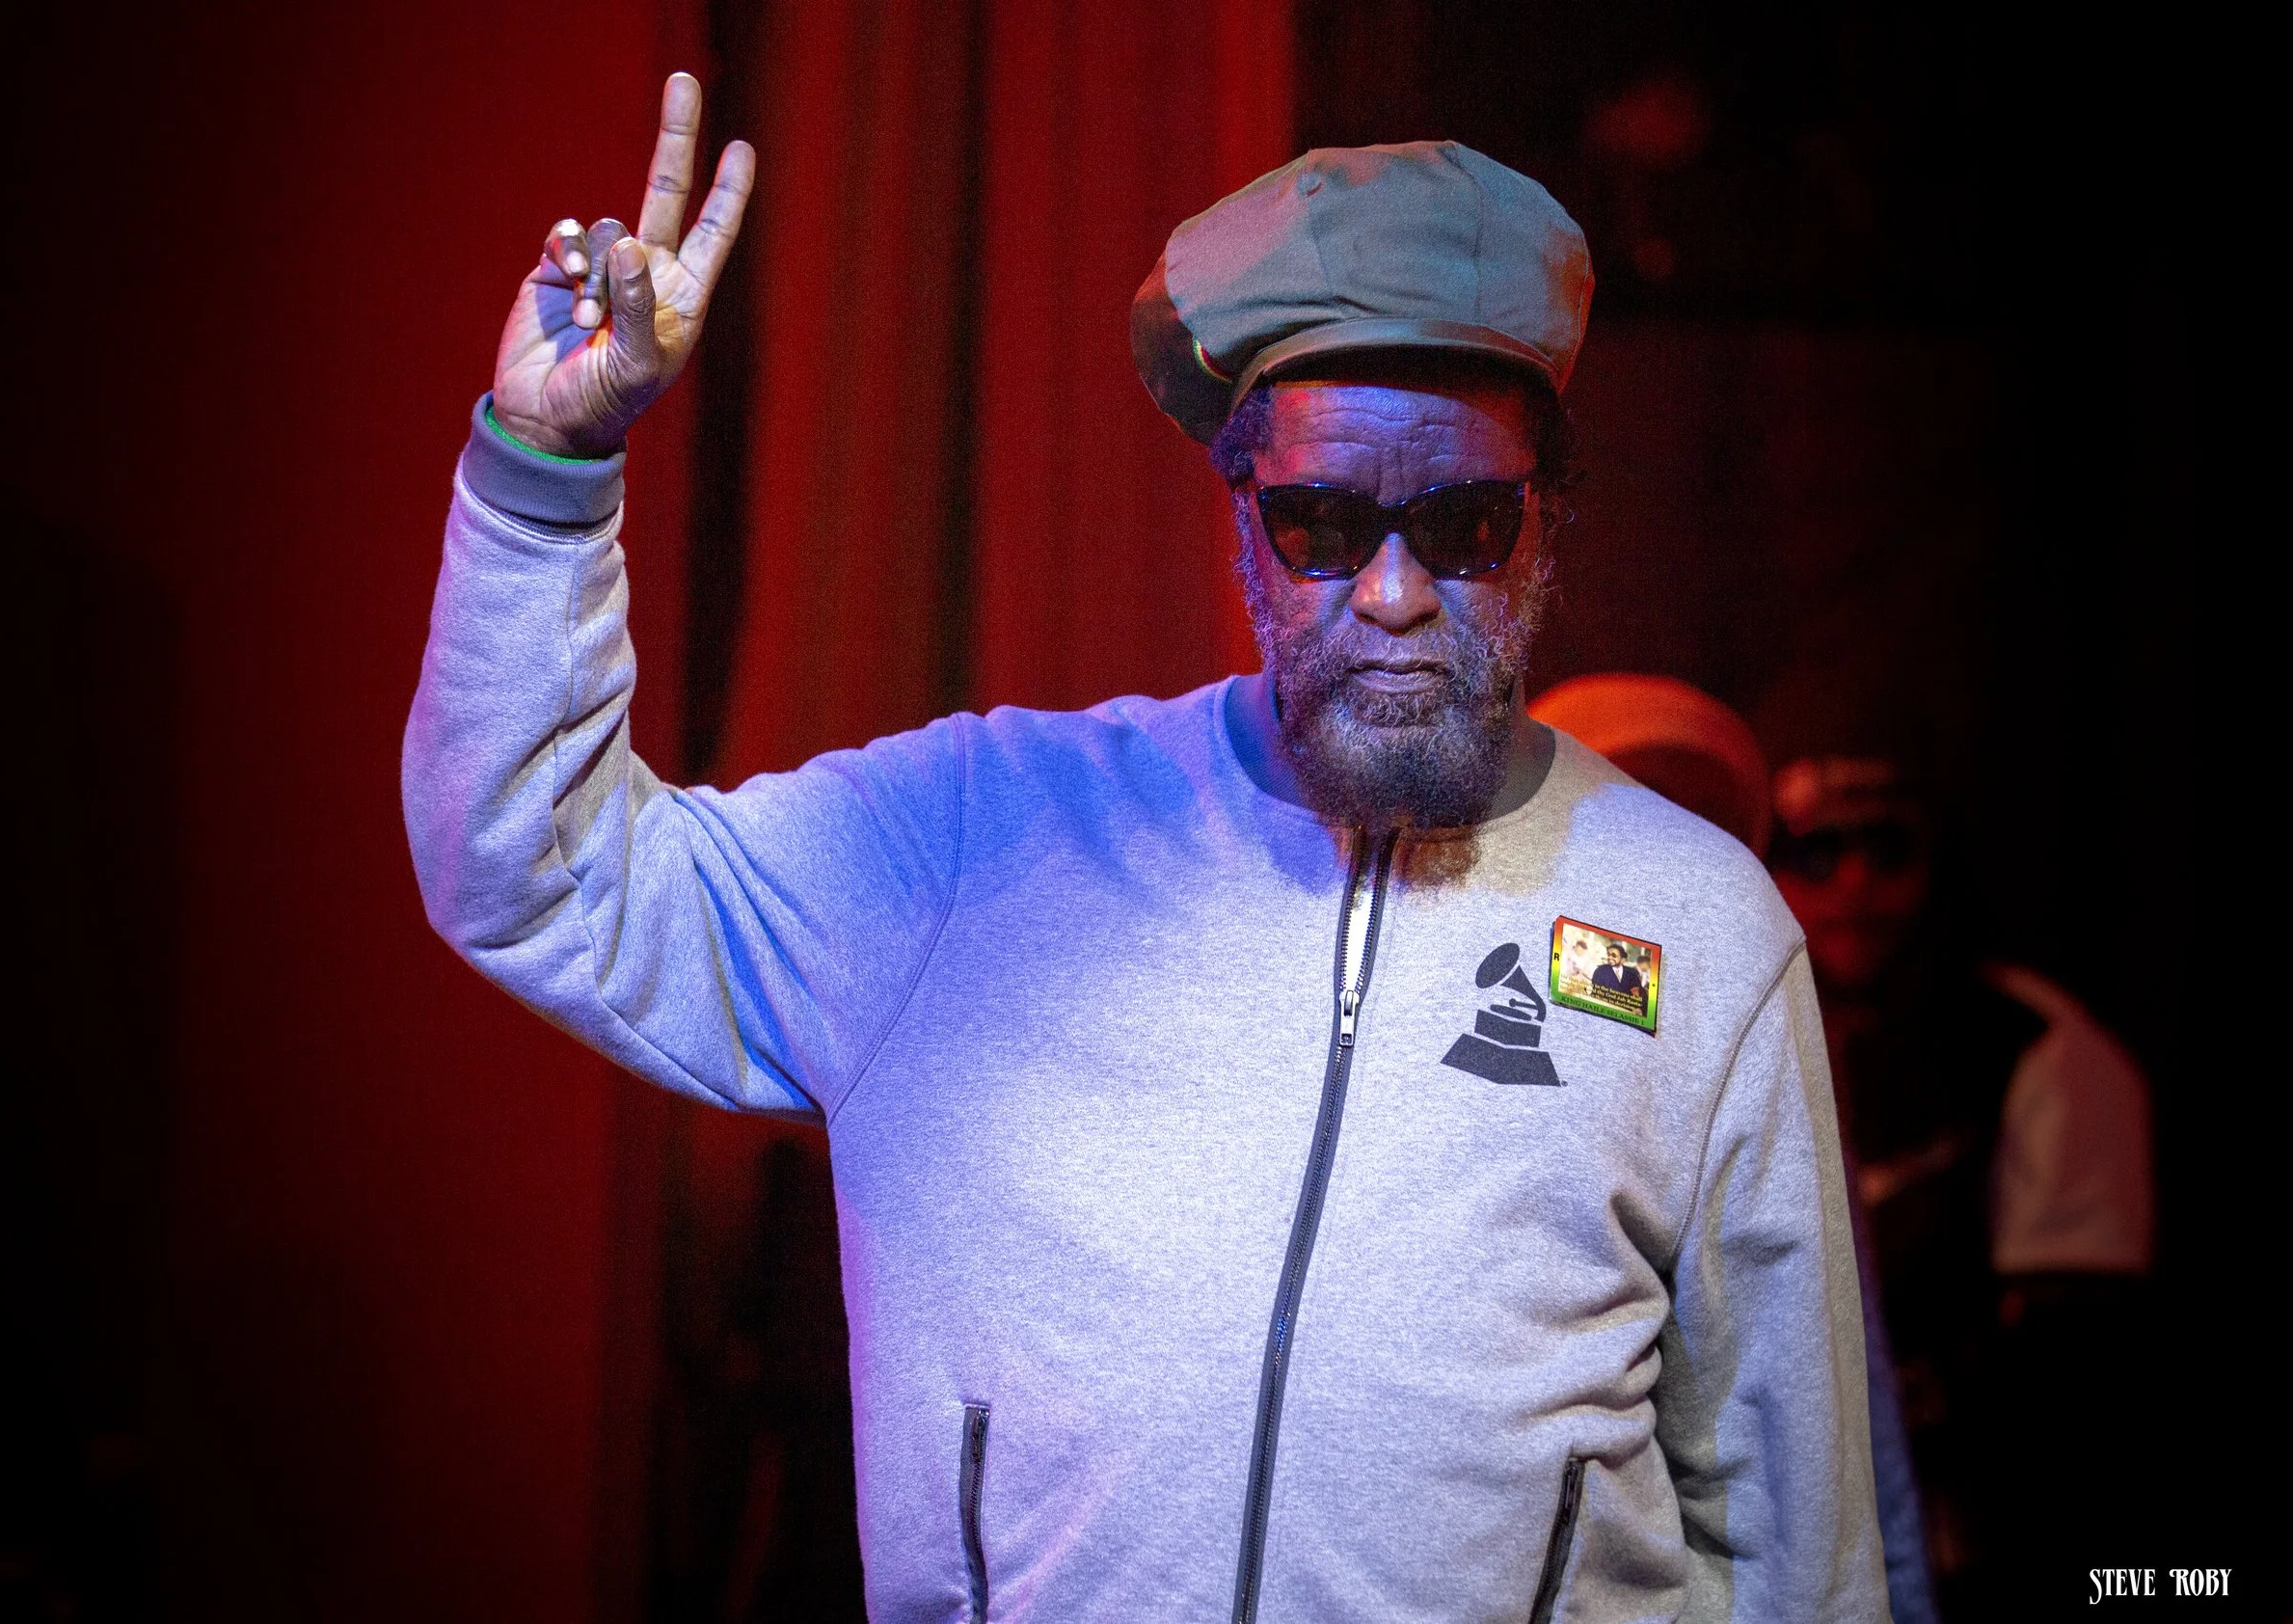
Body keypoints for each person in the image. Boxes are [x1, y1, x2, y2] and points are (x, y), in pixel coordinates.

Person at [405, 74, 1889, 1621]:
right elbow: (538, 871)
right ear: (1242, 520)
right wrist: (544, 476)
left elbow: (1801, 1550)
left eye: (1463, 526)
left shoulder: (1695, 926)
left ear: (1546, 525)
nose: (1393, 595)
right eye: (1324, 525)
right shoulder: (976, 842)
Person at [1536, 674, 1939, 1624]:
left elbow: (1841, 1387)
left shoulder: (1741, 1011)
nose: (1651, 856)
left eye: (1683, 824)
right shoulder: (1504, 1014)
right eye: (1607, 817)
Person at [1767, 755, 2152, 1614]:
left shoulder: (2034, 1046)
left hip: (1985, 1549)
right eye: (1817, 853)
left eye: (1888, 848)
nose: (1856, 882)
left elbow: (2071, 1378)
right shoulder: (1726, 1033)